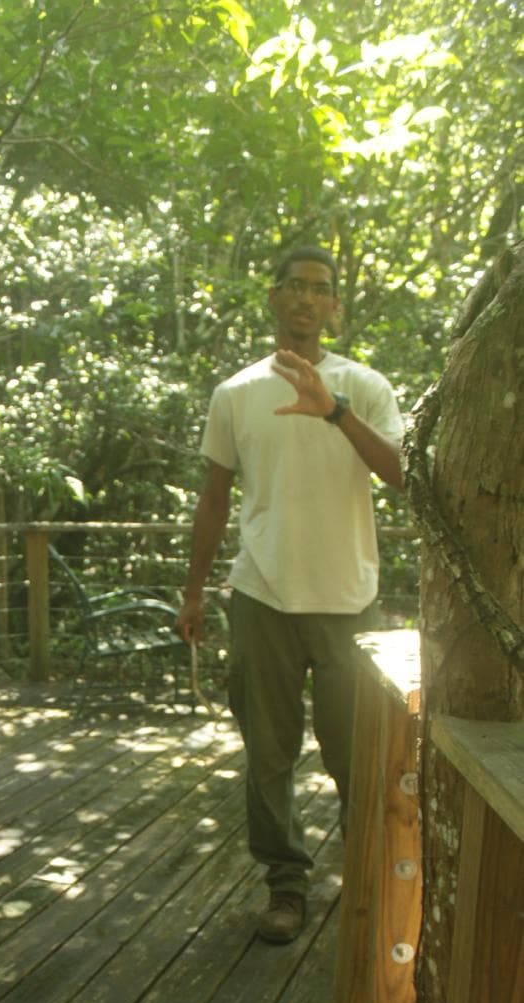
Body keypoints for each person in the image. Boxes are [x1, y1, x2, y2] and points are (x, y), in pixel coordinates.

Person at [176, 246, 404, 943]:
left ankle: (367, 880)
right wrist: (192, 592)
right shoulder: (236, 393)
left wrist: (333, 411)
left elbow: (401, 474)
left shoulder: (364, 386)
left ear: (334, 305)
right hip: (262, 596)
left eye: (321, 288)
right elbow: (213, 500)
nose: (307, 298)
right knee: (269, 756)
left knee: (355, 755)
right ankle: (286, 885)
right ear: (274, 297)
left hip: (347, 601)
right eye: (295, 286)